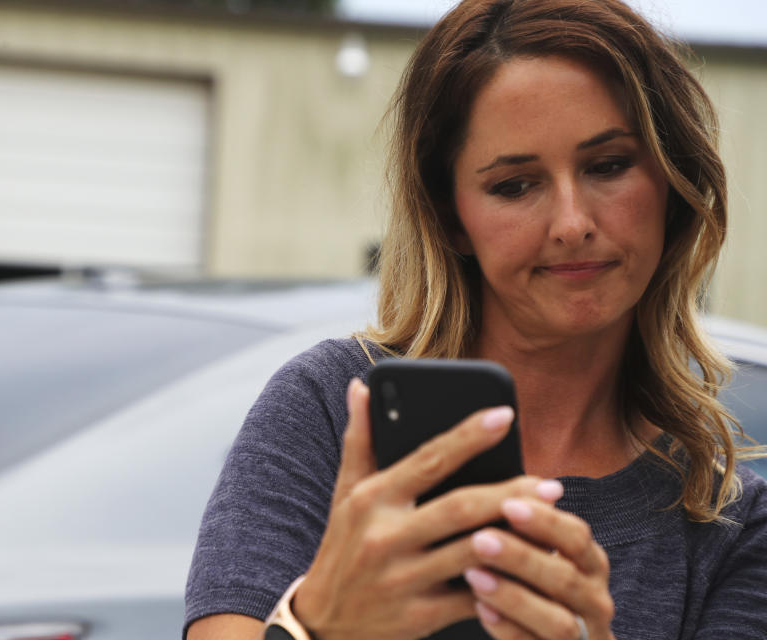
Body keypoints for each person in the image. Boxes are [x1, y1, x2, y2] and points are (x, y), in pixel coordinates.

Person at [184, 0, 767, 638]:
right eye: (515, 185)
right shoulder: (334, 411)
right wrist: (318, 625)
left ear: (672, 179)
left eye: (607, 166)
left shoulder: (731, 527)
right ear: (451, 217)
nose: (572, 224)